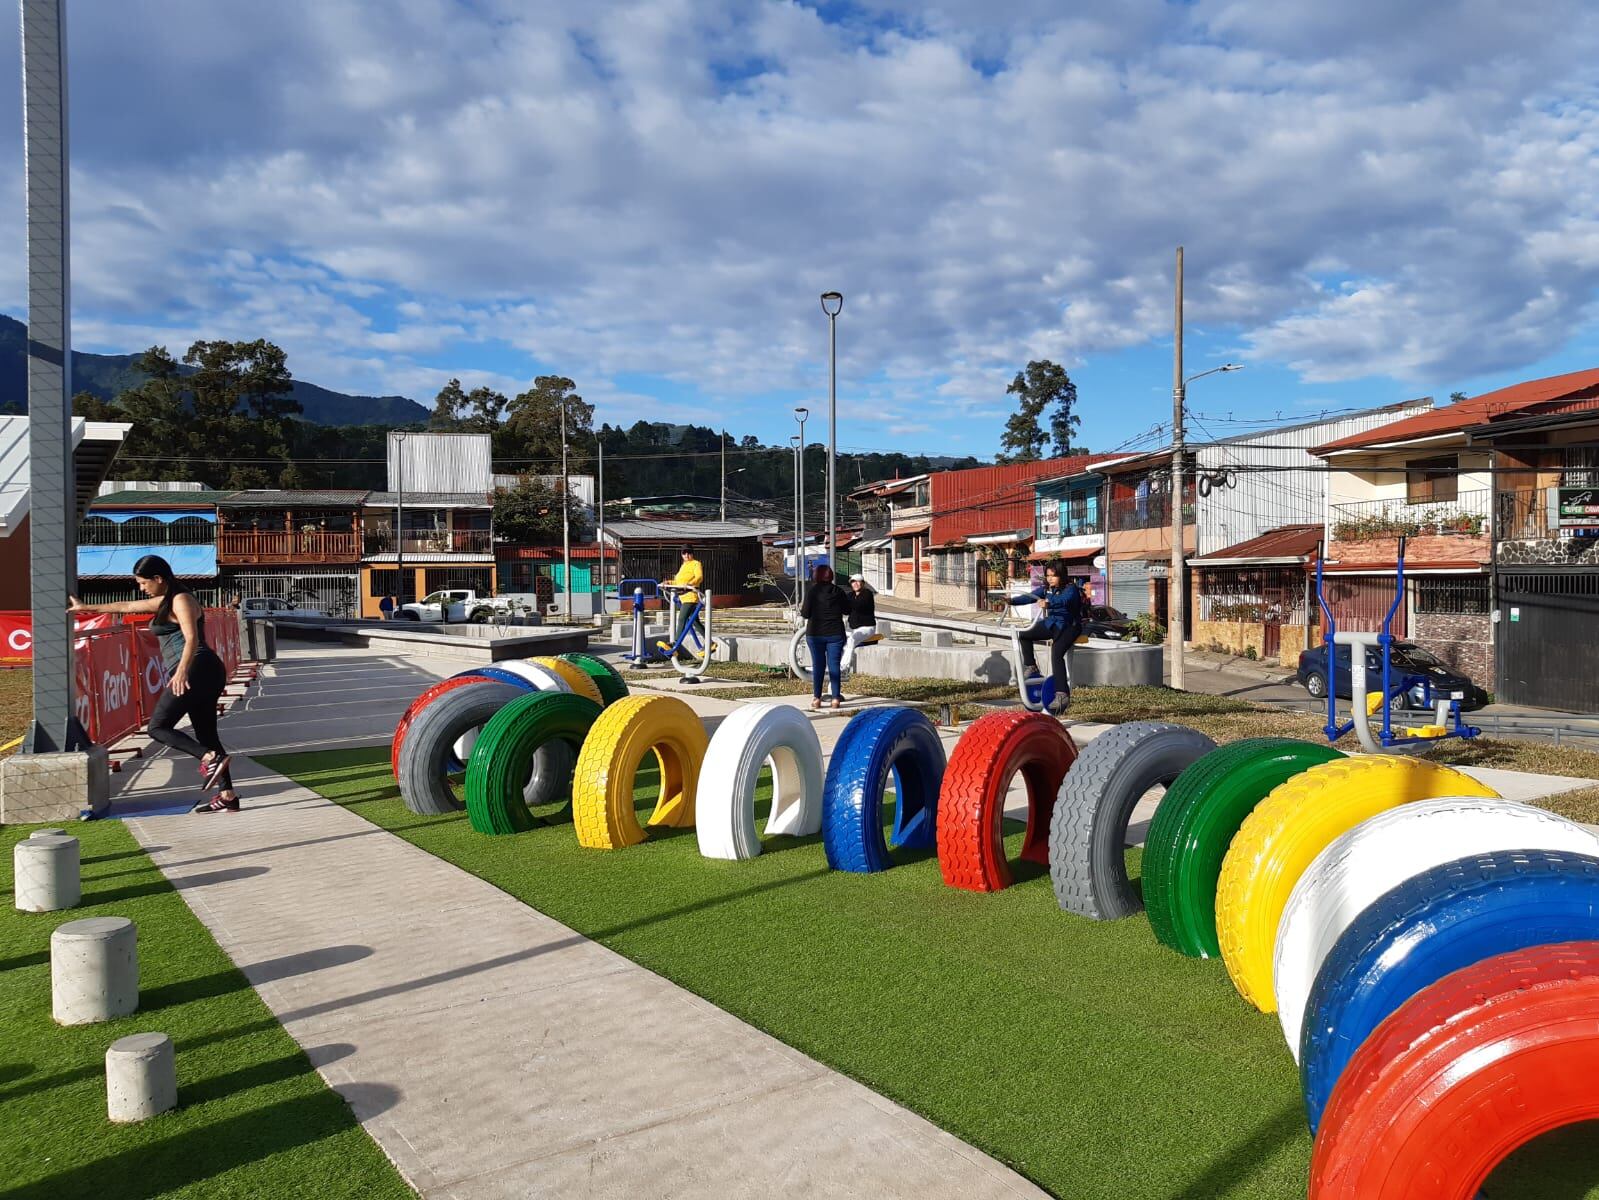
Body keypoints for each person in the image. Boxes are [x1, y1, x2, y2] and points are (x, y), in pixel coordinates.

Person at [68, 554, 240, 812]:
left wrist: (181, 672)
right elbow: (125, 606)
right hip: (202, 670)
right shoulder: (164, 601)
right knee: (206, 733)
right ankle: (228, 796)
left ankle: (209, 758)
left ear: (159, 578)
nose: (141, 588)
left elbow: (191, 638)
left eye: (143, 583)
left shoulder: (181, 600)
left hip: (197, 666)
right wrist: (85, 608)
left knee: (158, 727)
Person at [1007, 560, 1088, 715]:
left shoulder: (1070, 589)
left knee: (1056, 653)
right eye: (1048, 576)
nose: (1050, 579)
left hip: (1069, 626)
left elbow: (1064, 601)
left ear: (1061, 576)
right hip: (1052, 624)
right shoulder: (1046, 589)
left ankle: (1062, 694)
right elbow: (1030, 597)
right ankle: (1031, 666)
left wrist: (1049, 603)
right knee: (1024, 635)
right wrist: (1012, 601)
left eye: (1054, 576)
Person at [801, 563, 852, 709]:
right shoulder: (838, 591)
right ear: (831, 576)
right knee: (834, 665)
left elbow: (805, 614)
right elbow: (847, 611)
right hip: (835, 633)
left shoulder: (812, 592)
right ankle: (835, 699)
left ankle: (817, 698)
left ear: (816, 576)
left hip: (815, 634)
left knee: (818, 665)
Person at [665, 546, 705, 649]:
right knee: (695, 622)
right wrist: (669, 582)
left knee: (682, 618)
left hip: (691, 596)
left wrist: (689, 584)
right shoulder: (683, 566)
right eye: (684, 553)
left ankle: (675, 643)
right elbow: (679, 582)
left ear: (692, 554)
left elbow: (699, 577)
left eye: (689, 553)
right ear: (682, 555)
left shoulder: (696, 563)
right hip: (683, 596)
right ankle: (710, 642)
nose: (686, 555)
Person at [846, 573, 877, 654]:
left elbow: (858, 605)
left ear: (863, 583)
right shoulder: (850, 595)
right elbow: (845, 609)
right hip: (853, 628)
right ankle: (836, 665)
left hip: (867, 627)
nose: (855, 584)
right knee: (839, 642)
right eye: (853, 582)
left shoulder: (867, 594)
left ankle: (843, 666)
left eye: (858, 581)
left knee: (851, 640)